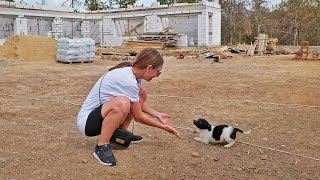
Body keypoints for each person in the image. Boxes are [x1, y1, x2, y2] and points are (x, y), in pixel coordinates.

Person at [77, 48, 180, 166]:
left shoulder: (134, 75)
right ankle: (101, 146)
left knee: (140, 96)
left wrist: (157, 114)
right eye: (158, 72)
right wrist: (163, 127)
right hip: (87, 123)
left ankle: (119, 135)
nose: (157, 75)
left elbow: (138, 103)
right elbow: (138, 116)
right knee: (123, 103)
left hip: (100, 117)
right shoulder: (128, 81)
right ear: (149, 68)